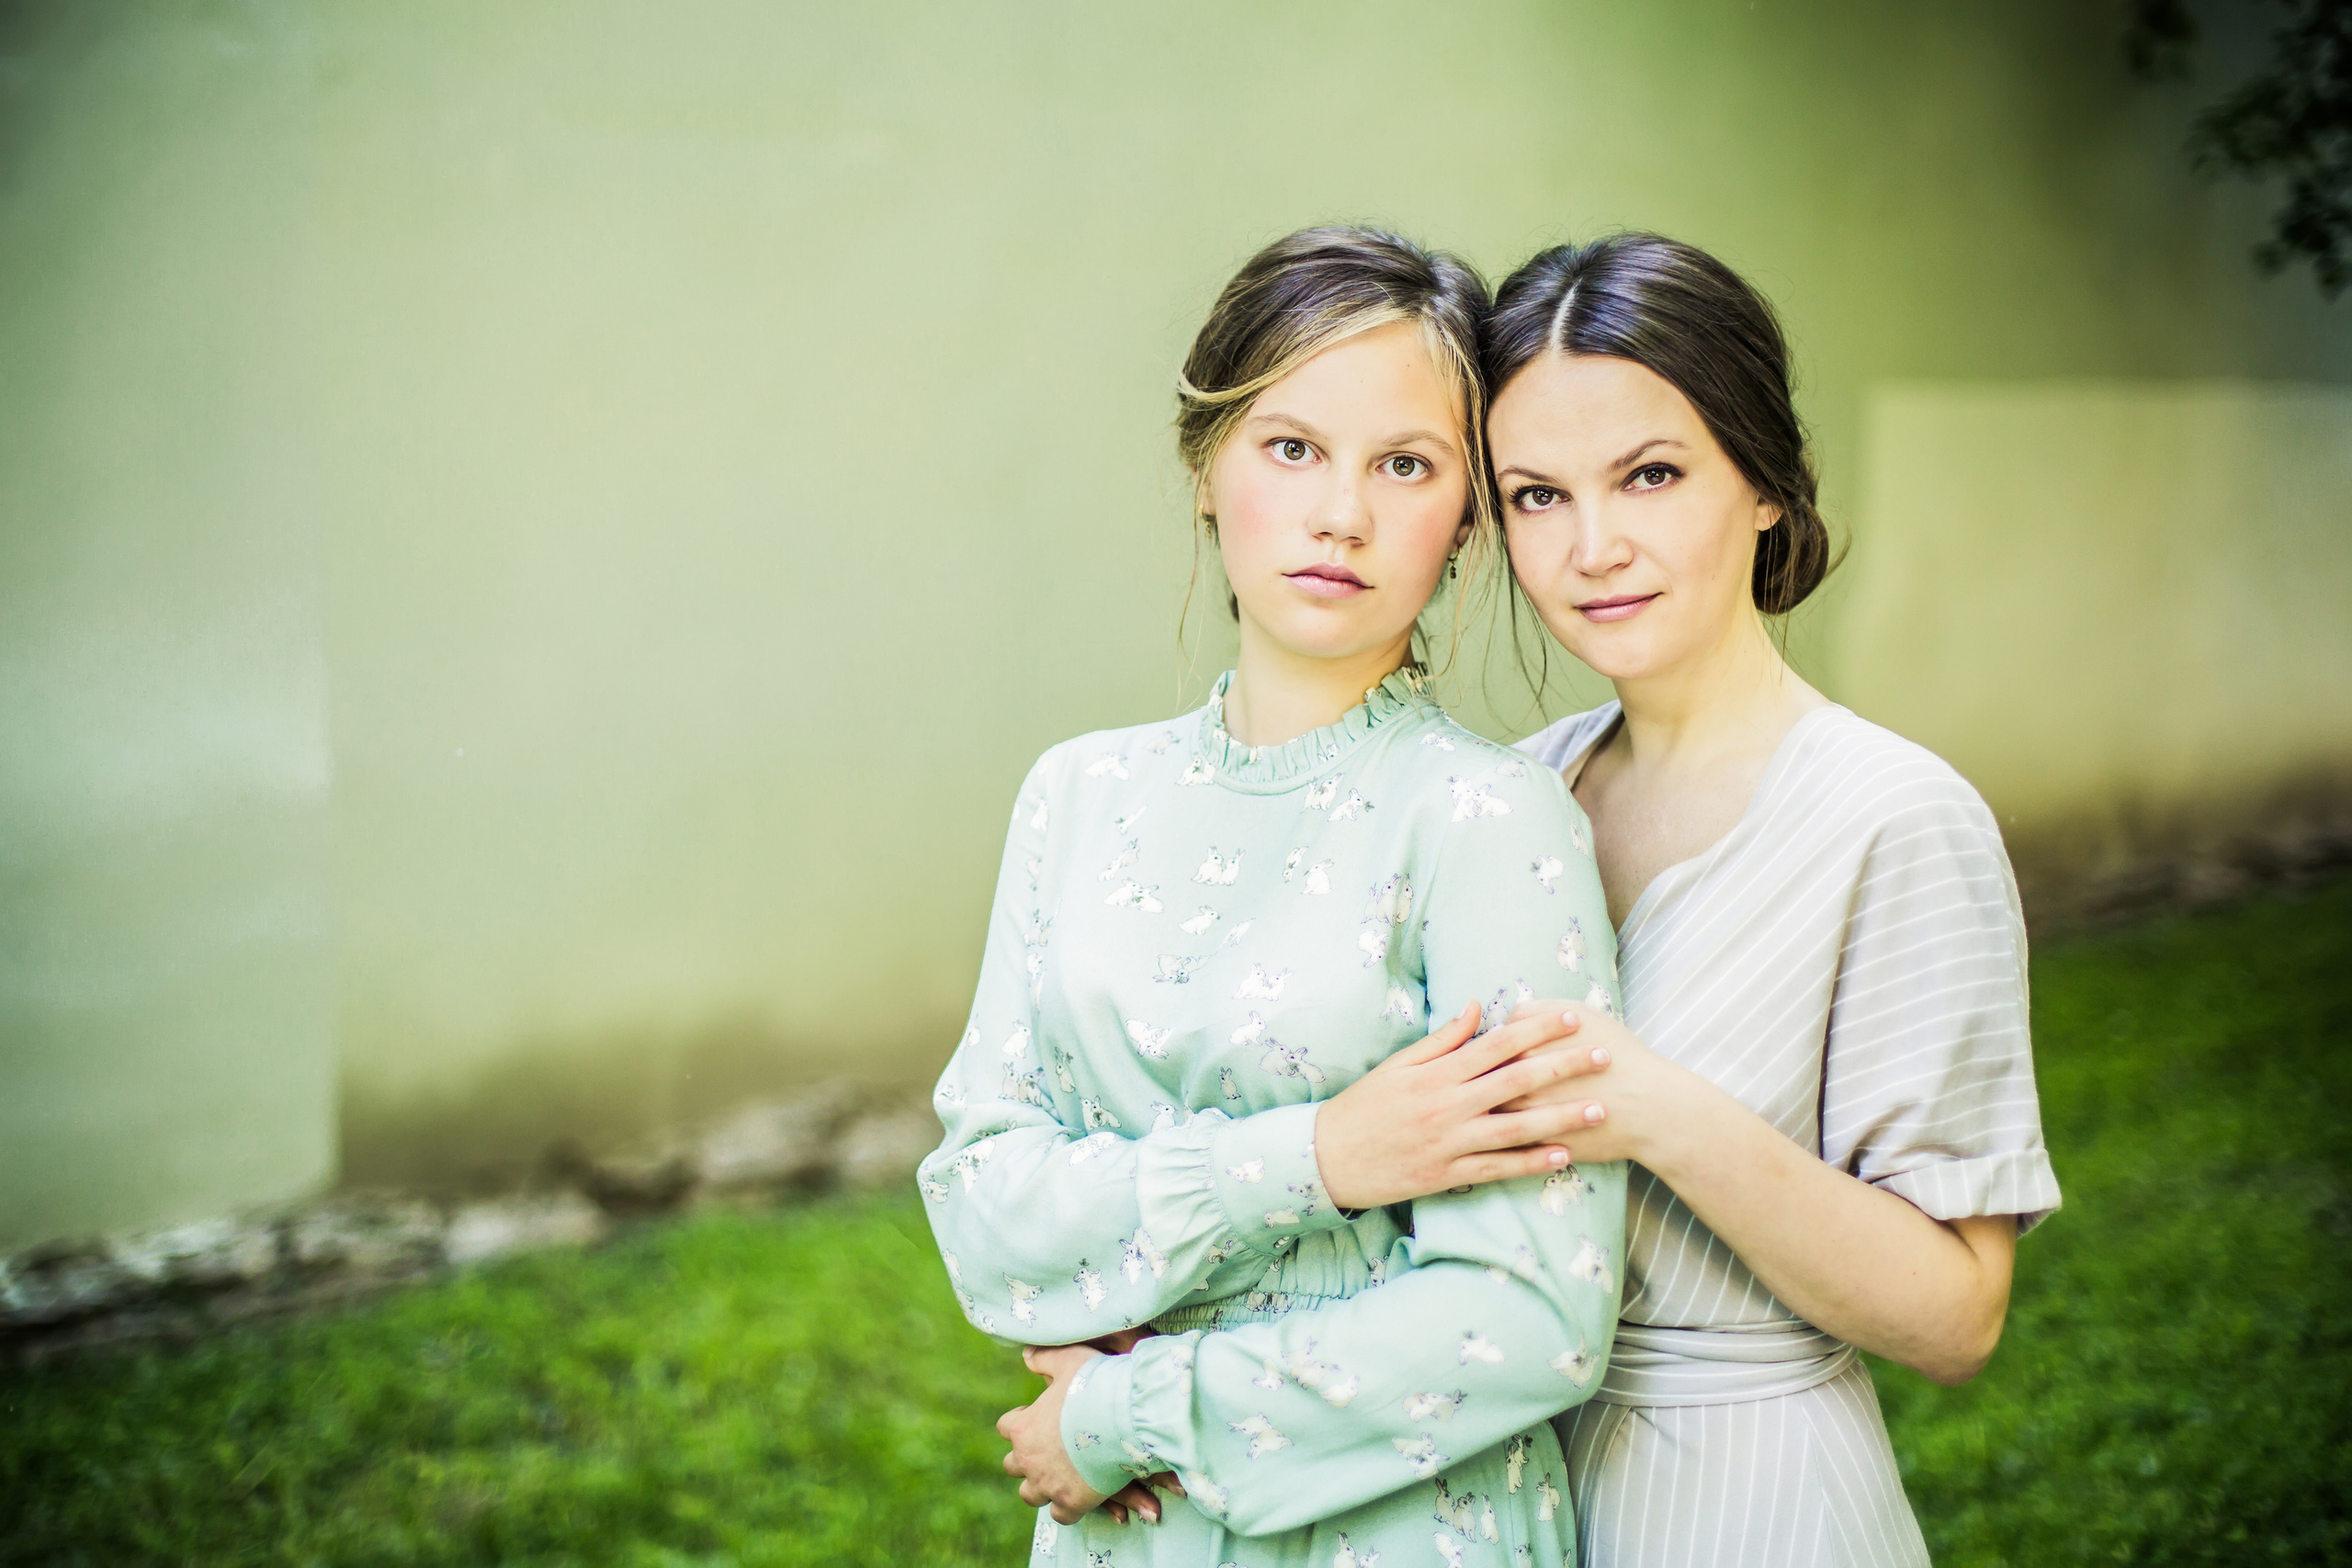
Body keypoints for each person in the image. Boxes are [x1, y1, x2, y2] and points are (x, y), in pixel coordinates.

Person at [1300, 232, 2064, 1566]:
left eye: (1650, 476)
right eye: (1537, 497)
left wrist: (1647, 1107)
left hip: (1752, 1496)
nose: (1595, 548)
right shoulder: (1507, 798)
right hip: (1493, 1493)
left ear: (1763, 484)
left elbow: (1957, 1316)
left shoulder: (1893, 817)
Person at [918, 225, 1628, 1567]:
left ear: (1467, 515)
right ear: (1207, 467)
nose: (1340, 514)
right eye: (1291, 447)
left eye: (1405, 466)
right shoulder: (1077, 796)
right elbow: (983, 1218)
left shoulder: (1484, 822)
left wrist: (1130, 1407)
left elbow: (1534, 1314)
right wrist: (1316, 1161)